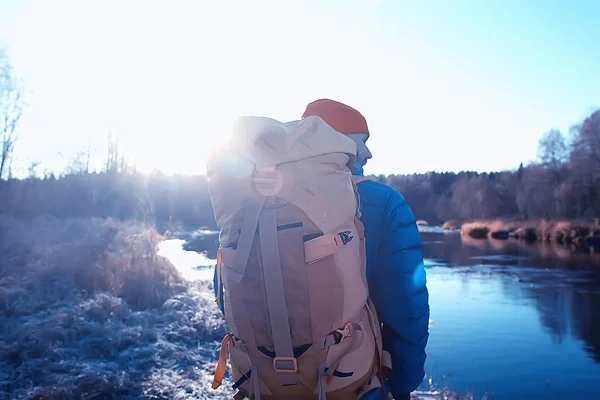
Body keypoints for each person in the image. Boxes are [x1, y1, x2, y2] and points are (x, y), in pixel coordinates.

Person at [301, 99, 430, 400]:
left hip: (267, 381)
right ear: (338, 141)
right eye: (363, 141)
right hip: (354, 383)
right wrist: (402, 382)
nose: (369, 153)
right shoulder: (382, 201)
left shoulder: (260, 199)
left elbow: (231, 288)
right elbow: (406, 305)